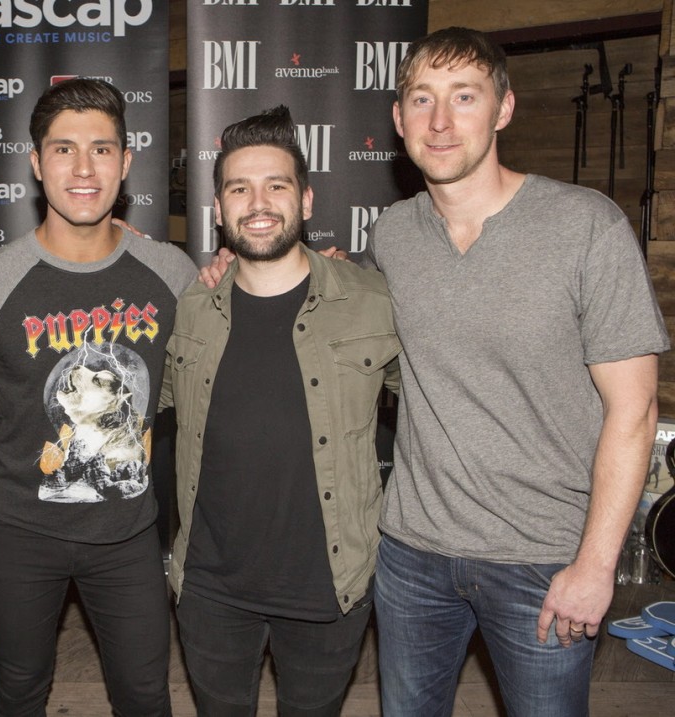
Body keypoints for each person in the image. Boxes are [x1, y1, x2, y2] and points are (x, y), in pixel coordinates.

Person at [202, 27, 669, 717]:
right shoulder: (391, 236)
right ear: (397, 120)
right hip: (411, 559)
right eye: (422, 99)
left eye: (464, 97)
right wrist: (233, 265)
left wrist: (596, 566)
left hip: (542, 560)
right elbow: (326, 298)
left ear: (503, 108)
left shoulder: (586, 227)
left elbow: (635, 411)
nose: (441, 122)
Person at [0, 78, 197, 716]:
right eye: (63, 149)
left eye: (101, 149)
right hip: (20, 532)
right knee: (19, 693)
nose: (84, 168)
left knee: (146, 696)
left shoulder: (172, 273)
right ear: (36, 164)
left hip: (127, 534)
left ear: (126, 161)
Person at [160, 106, 400, 716]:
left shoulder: (372, 302)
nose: (258, 202)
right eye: (239, 188)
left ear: (309, 200)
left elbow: (439, 404)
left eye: (277, 185)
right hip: (211, 586)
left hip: (331, 582)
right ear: (219, 209)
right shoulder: (192, 305)